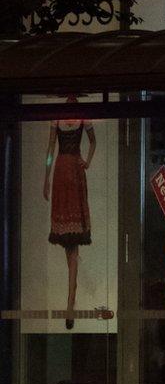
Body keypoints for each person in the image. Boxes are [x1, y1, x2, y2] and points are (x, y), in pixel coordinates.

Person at [44, 118, 95, 330]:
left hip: (68, 170)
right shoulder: (65, 117)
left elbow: (50, 151)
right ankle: (70, 297)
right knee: (69, 242)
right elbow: (50, 151)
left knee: (71, 242)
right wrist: (46, 177)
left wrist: (47, 176)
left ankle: (70, 298)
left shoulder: (77, 117)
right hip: (68, 171)